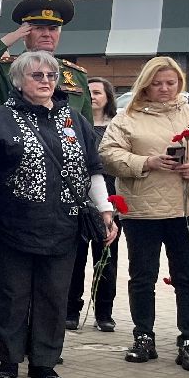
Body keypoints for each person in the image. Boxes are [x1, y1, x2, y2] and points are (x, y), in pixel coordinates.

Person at [0, 52, 117, 378]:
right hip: (13, 222)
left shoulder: (74, 119)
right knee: (12, 294)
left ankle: (44, 361)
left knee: (54, 295)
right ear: (18, 81)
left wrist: (105, 210)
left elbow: (92, 169)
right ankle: (9, 358)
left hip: (63, 224)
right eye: (37, 75)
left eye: (51, 75)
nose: (45, 81)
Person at [100, 56, 189, 371]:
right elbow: (108, 154)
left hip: (188, 209)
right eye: (157, 83)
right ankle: (143, 336)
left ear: (180, 84)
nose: (164, 88)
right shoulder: (127, 117)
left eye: (170, 83)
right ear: (145, 84)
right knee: (142, 277)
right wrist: (146, 162)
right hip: (142, 210)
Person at [0, 0, 93, 121]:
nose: (47, 34)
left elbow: (87, 124)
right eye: (39, 28)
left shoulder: (75, 74)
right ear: (24, 33)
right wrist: (4, 42)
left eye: (53, 29)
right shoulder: (7, 68)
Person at [66, 76, 121, 332]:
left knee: (106, 258)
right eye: (88, 92)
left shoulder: (116, 126)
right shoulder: (73, 124)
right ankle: (71, 311)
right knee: (75, 259)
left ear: (108, 97)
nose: (93, 97)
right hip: (77, 199)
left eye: (98, 92)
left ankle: (104, 313)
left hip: (108, 197)